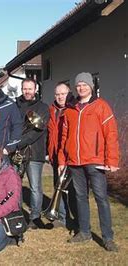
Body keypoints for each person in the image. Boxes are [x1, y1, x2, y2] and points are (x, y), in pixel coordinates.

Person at [58, 72, 120, 252]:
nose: (81, 87)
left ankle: (108, 237)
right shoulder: (70, 109)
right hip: (75, 162)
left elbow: (111, 134)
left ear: (91, 86)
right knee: (80, 197)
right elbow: (64, 136)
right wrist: (63, 159)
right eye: (78, 85)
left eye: (85, 84)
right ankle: (84, 232)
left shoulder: (101, 106)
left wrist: (112, 159)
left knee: (101, 198)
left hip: (95, 160)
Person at [15, 78, 49, 229]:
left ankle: (35, 217)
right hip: (16, 152)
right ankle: (17, 214)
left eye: (30, 89)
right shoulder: (15, 105)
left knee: (35, 186)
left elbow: (37, 132)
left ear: (35, 90)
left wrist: (18, 142)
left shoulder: (43, 107)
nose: (27, 91)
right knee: (15, 184)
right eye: (25, 89)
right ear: (21, 89)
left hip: (35, 152)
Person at [47, 82, 75, 229]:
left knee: (73, 189)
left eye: (63, 94)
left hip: (70, 155)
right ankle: (62, 217)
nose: (60, 97)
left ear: (68, 93)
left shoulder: (73, 109)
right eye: (57, 94)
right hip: (56, 155)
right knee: (58, 187)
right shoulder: (51, 109)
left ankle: (76, 218)